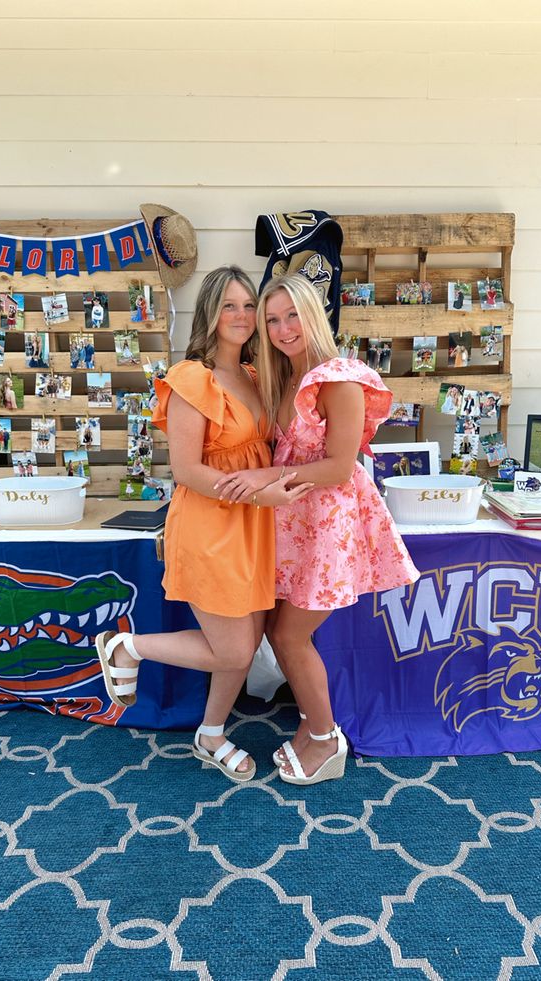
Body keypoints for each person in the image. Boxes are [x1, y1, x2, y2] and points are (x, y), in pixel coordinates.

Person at [93, 266, 311, 783]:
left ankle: (210, 735)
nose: (240, 316)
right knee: (233, 648)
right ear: (210, 313)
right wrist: (262, 489)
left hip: (256, 523)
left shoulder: (259, 374)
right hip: (212, 524)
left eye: (246, 306)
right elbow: (188, 470)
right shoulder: (192, 376)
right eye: (228, 306)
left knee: (247, 640)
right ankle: (128, 646)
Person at [215, 275, 419, 786]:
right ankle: (311, 729)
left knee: (289, 635)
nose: (283, 329)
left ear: (316, 314)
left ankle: (327, 742)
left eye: (293, 315)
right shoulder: (279, 377)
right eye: (272, 319)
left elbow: (338, 467)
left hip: (330, 531)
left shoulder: (339, 377)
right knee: (281, 635)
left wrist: (265, 476)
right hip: (292, 527)